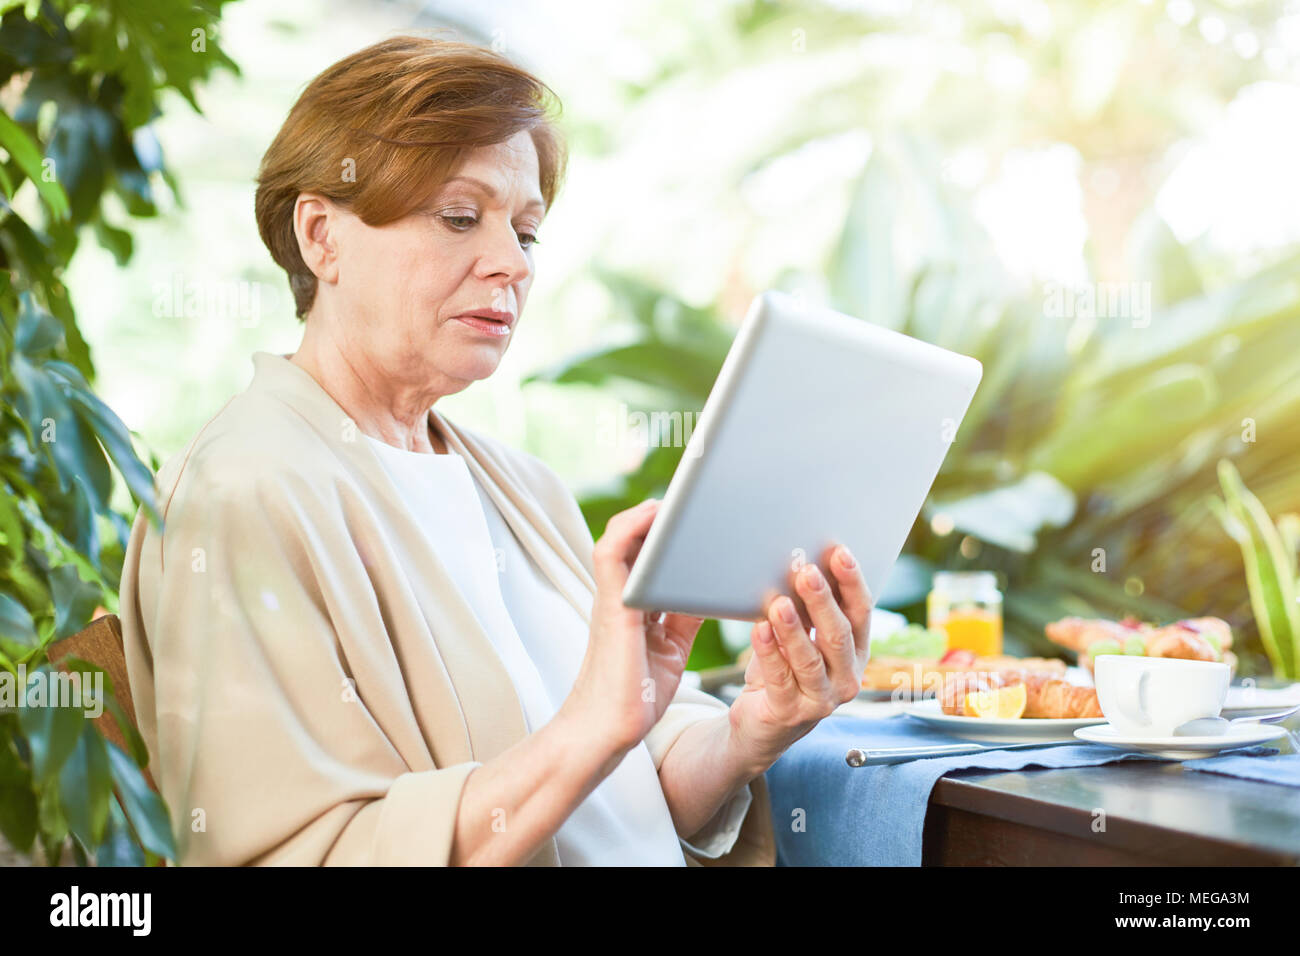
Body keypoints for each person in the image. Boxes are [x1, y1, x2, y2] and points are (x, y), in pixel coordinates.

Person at [118, 34, 872, 866]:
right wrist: (592, 726)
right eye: (458, 217)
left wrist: (750, 730)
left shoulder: (521, 488)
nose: (511, 263)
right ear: (320, 236)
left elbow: (623, 798)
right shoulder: (244, 492)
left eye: (527, 231)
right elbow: (305, 851)